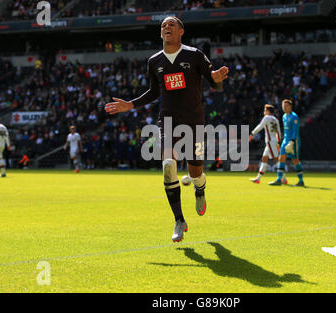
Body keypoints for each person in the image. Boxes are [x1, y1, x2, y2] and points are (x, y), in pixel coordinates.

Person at [105, 16, 229, 242]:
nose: (166, 27)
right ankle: (179, 220)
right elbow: (154, 91)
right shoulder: (154, 61)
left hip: (194, 120)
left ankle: (200, 188)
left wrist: (217, 79)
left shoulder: (194, 55)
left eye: (172, 24)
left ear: (181, 31)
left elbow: (214, 83)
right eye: (163, 25)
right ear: (161, 33)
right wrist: (130, 104)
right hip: (168, 120)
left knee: (195, 172)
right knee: (168, 165)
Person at [269, 100, 305, 187]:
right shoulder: (284, 116)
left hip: (293, 141)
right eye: (283, 106)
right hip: (285, 140)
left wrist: (292, 142)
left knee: (295, 160)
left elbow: (295, 131)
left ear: (290, 106)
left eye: (286, 106)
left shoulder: (294, 117)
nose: (284, 107)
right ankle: (279, 179)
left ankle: (301, 181)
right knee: (281, 158)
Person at [249, 104, 287, 184]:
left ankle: (283, 178)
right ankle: (258, 178)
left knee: (276, 160)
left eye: (265, 110)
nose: (264, 112)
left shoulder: (267, 118)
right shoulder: (276, 119)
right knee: (264, 159)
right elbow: (279, 133)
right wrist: (278, 142)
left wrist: (252, 133)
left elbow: (260, 126)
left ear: (268, 111)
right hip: (273, 141)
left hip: (270, 141)